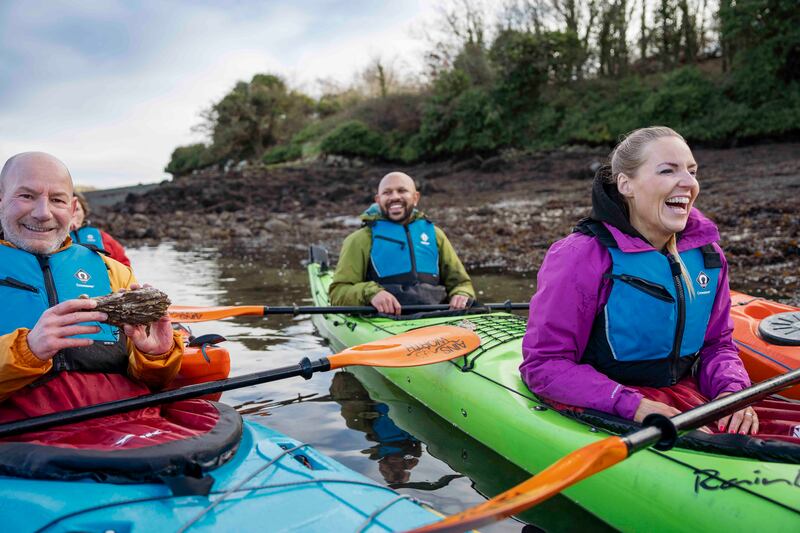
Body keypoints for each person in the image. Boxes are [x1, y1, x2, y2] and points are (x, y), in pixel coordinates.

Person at [520, 127, 800, 440]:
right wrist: (633, 405)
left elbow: (716, 346)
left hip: (682, 391)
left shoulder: (708, 256)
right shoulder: (580, 256)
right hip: (608, 398)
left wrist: (732, 393)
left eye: (692, 171)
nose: (688, 183)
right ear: (626, 184)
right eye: (668, 170)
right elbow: (544, 365)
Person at [0, 152, 182, 422]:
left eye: (57, 200)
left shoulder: (114, 271)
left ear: (73, 209)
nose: (42, 213)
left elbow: (154, 380)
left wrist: (155, 355)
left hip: (132, 427)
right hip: (25, 439)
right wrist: (27, 350)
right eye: (26, 196)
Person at [329, 171, 475, 314]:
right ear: (378, 200)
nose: (395, 197)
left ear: (415, 197)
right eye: (387, 193)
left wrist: (462, 294)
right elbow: (338, 293)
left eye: (402, 190)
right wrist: (371, 294)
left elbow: (461, 283)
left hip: (436, 315)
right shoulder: (359, 239)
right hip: (385, 319)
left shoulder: (435, 235)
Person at [70, 191, 131, 267]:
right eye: (69, 210)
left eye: (77, 209)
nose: (73, 214)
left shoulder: (102, 236)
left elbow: (124, 265)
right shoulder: (53, 239)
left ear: (84, 212)